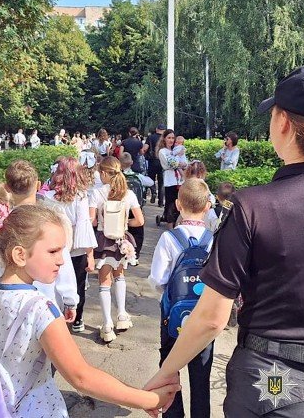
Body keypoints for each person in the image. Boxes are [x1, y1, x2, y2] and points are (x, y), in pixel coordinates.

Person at [144, 65, 304, 418]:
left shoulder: (251, 209)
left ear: (282, 122)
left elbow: (211, 319)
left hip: (271, 378)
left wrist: (167, 370)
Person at [0, 204, 180, 417]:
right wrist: (147, 399)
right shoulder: (40, 310)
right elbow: (81, 377)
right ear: (20, 255)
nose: (61, 260)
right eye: (53, 251)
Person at [148, 178, 215, 418]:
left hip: (172, 316)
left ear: (178, 205)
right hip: (204, 317)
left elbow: (158, 279)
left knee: (169, 370)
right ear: (207, 206)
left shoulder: (169, 238)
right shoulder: (213, 240)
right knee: (201, 376)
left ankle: (173, 413)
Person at [4, 160, 79, 322]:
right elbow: (62, 262)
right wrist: (70, 299)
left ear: (7, 188)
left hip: (8, 304)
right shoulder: (49, 221)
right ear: (38, 185)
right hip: (45, 304)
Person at [89, 156, 144, 343]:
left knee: (104, 281)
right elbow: (140, 221)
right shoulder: (129, 194)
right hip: (122, 240)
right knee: (119, 275)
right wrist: (124, 223)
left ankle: (107, 324)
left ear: (104, 173)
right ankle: (121, 314)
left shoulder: (97, 193)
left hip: (103, 240)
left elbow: (92, 221)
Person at [41, 157, 97, 333]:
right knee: (78, 284)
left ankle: (55, 318)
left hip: (54, 245)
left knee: (55, 282)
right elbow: (84, 224)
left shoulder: (47, 197)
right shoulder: (80, 197)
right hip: (76, 247)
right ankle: (77, 318)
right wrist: (90, 255)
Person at [119, 152, 154, 261]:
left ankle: (121, 252)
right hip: (135, 207)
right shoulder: (138, 176)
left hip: (121, 208)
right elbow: (151, 182)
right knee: (138, 231)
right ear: (132, 163)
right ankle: (135, 253)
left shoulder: (118, 177)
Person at [157, 129, 186, 229]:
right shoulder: (163, 151)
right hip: (170, 180)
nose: (171, 140)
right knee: (170, 203)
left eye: (173, 138)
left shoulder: (176, 150)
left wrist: (182, 163)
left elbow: (185, 162)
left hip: (180, 180)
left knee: (179, 203)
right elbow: (170, 164)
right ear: (164, 139)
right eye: (169, 138)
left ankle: (178, 223)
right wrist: (179, 163)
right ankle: (170, 225)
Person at [183, 160, 218, 231]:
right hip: (199, 212)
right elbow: (211, 199)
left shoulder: (186, 183)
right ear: (202, 171)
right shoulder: (202, 183)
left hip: (187, 211)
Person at [143, 124, 166, 206]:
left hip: (152, 161)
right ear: (164, 130)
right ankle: (161, 202)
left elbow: (145, 148)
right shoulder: (165, 138)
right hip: (162, 162)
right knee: (161, 183)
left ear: (157, 129)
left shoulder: (150, 137)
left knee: (150, 180)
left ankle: (153, 192)